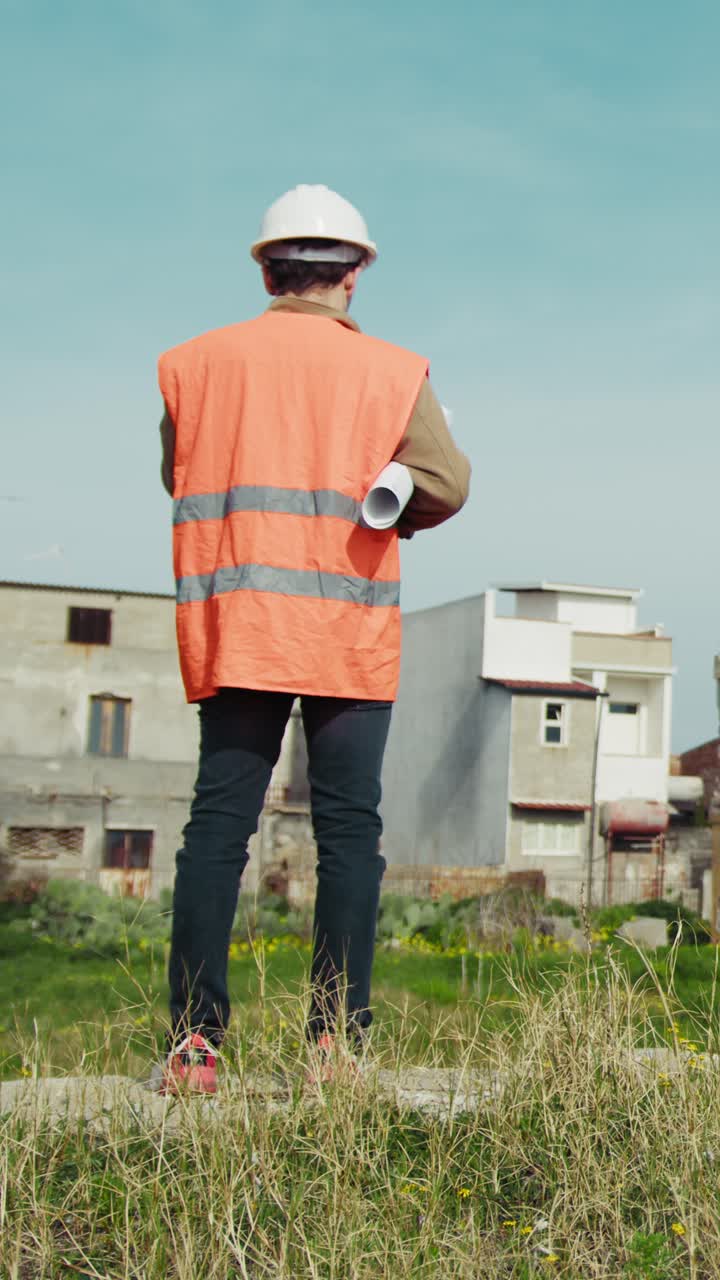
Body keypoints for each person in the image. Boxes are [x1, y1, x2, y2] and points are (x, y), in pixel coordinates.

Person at [156, 184, 470, 1092]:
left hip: (238, 621)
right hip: (345, 627)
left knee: (217, 831)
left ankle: (195, 1045)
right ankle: (336, 1043)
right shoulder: (391, 371)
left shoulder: (192, 365)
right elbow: (444, 482)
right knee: (348, 835)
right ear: (355, 275)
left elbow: (175, 474)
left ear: (266, 267)